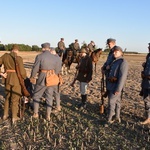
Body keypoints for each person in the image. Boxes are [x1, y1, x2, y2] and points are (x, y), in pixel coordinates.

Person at [30, 43, 62, 121]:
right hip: (52, 78)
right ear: (49, 48)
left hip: (42, 78)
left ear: (43, 48)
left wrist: (32, 76)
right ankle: (48, 115)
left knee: (37, 95)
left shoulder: (40, 56)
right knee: (49, 97)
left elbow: (35, 68)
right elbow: (58, 70)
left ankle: (36, 113)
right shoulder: (55, 57)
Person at [0, 44, 27, 124]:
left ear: (11, 50)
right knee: (15, 99)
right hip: (16, 81)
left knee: (7, 97)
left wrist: (1, 73)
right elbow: (22, 72)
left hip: (7, 79)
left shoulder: (5, 56)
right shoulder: (18, 58)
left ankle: (5, 115)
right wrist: (24, 78)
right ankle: (14, 117)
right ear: (17, 51)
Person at [105, 46, 128, 124]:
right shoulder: (113, 61)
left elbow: (122, 77)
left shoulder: (123, 62)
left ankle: (109, 119)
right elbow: (109, 72)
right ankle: (117, 117)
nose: (114, 53)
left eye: (116, 52)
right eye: (114, 51)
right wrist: (106, 69)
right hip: (110, 84)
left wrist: (118, 89)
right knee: (117, 102)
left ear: (121, 53)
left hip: (116, 86)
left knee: (111, 102)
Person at [140, 43, 150, 125]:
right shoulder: (148, 56)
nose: (148, 47)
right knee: (146, 99)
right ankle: (148, 117)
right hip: (146, 81)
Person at [50, 47, 62, 112]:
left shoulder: (53, 58)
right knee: (56, 92)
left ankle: (56, 106)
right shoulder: (58, 58)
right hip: (57, 76)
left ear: (52, 52)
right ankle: (58, 106)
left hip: (52, 77)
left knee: (53, 92)